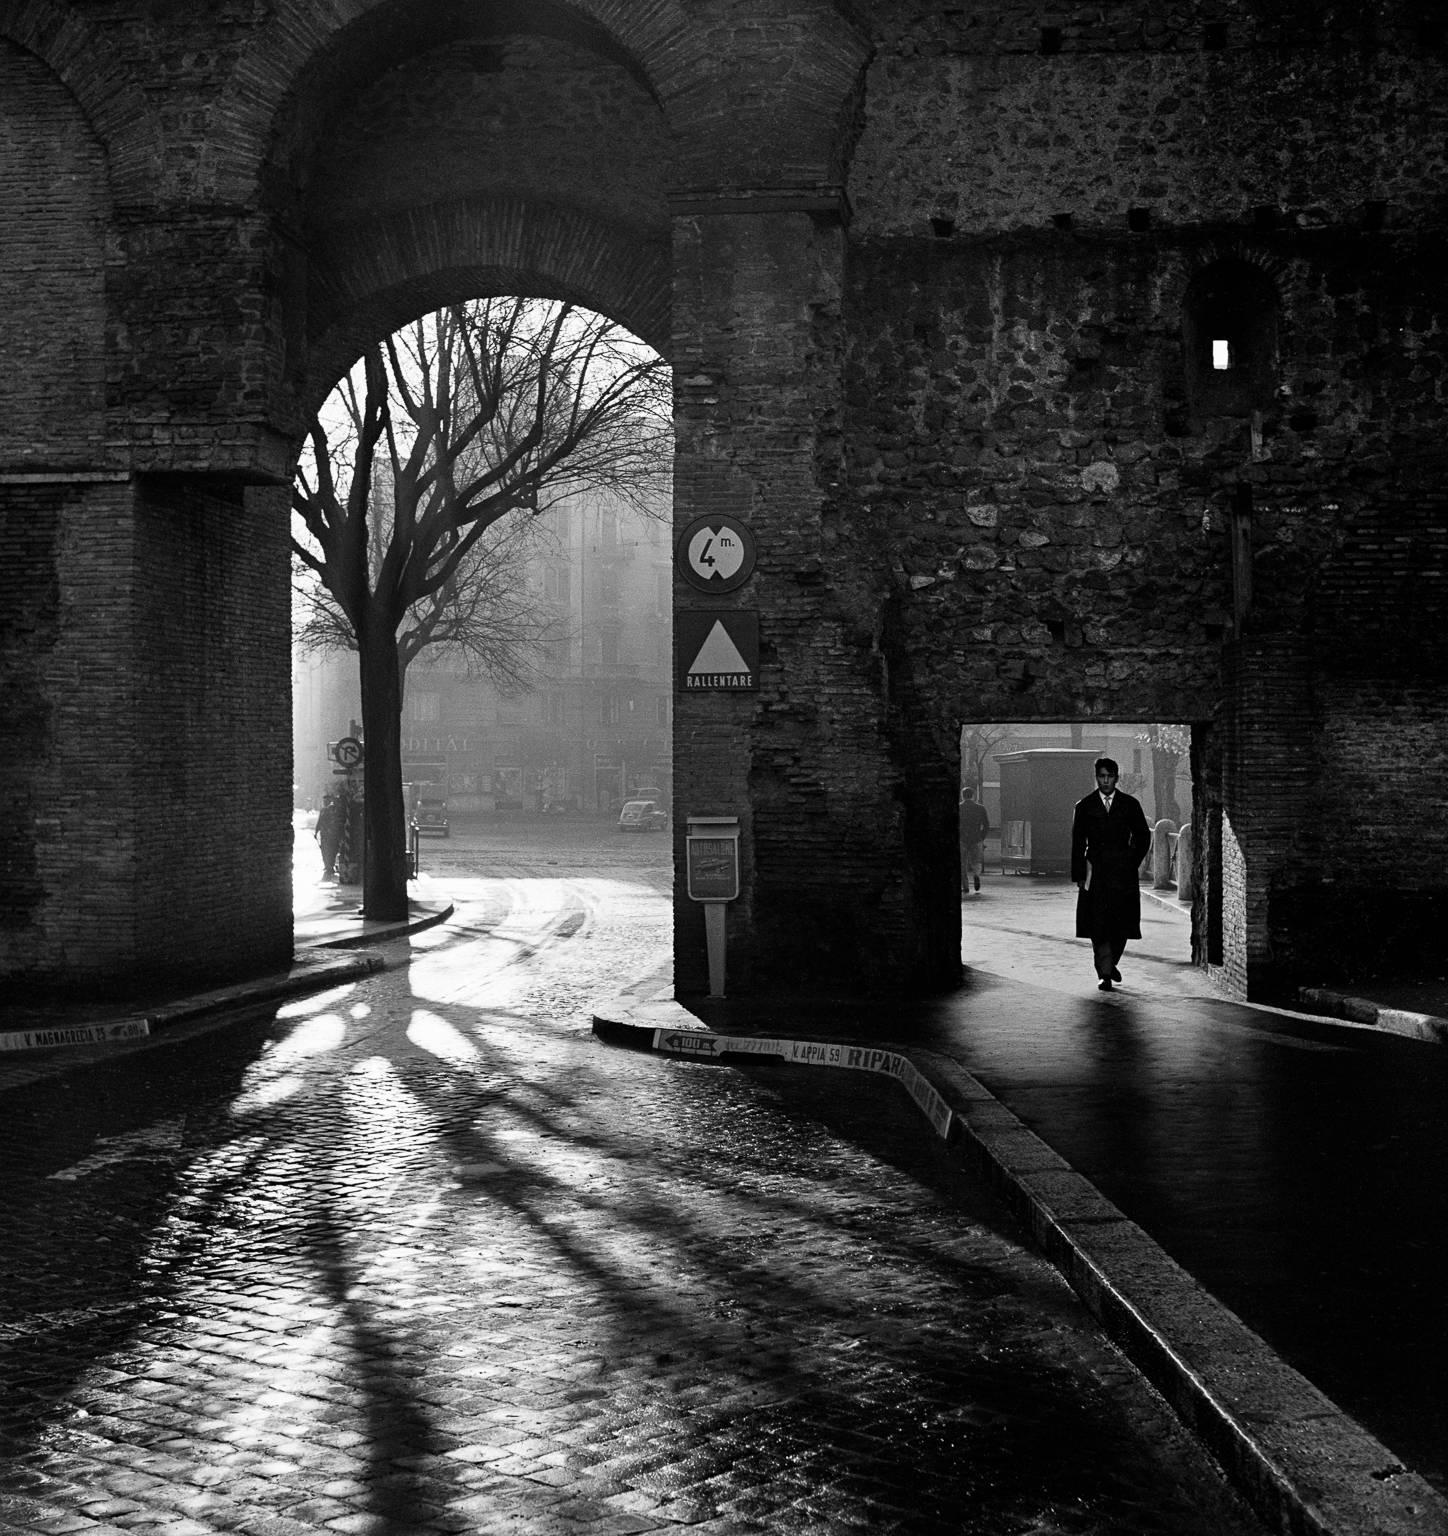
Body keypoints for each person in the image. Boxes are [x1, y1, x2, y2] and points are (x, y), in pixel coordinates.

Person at [1070, 757, 1151, 991]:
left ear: (1117, 778)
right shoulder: (1084, 806)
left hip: (1123, 874)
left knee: (1121, 924)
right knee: (1098, 924)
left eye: (1110, 776)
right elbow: (1077, 842)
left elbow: (1143, 836)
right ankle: (1104, 973)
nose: (1105, 781)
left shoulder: (1130, 805)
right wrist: (1079, 875)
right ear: (1096, 777)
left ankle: (1111, 961)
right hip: (1095, 872)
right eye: (1101, 776)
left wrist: (1131, 861)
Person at [959, 786, 990, 895]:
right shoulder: (980, 808)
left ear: (962, 796)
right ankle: (976, 875)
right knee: (976, 861)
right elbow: (986, 824)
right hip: (976, 838)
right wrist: (982, 837)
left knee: (962, 863)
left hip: (962, 839)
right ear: (973, 795)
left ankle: (965, 886)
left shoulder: (959, 808)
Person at [315, 793, 343, 881]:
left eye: (326, 800)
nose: (325, 802)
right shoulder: (323, 810)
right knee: (324, 850)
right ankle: (327, 866)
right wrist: (316, 832)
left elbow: (337, 822)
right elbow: (319, 821)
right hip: (324, 835)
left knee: (332, 851)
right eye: (324, 801)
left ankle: (330, 865)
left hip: (333, 835)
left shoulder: (334, 810)